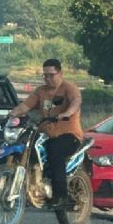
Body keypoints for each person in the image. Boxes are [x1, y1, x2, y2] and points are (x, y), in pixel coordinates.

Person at [9, 58, 83, 210]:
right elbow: (25, 106)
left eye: (51, 75)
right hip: (46, 135)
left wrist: (67, 113)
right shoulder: (40, 91)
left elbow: (76, 102)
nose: (48, 78)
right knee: (25, 147)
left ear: (60, 73)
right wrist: (10, 114)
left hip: (69, 135)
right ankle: (31, 187)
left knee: (55, 152)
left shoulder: (68, 87)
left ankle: (61, 197)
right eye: (45, 75)